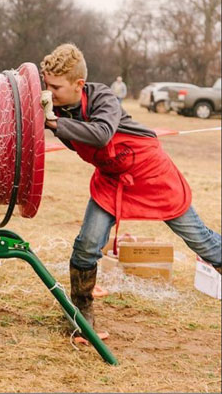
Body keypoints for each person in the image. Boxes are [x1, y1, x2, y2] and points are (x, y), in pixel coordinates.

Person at [39, 44, 221, 339]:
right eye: (46, 84)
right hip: (112, 179)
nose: (49, 91)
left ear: (79, 85)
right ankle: (81, 319)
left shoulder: (103, 98)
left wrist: (56, 124)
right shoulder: (54, 106)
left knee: (202, 242)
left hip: (151, 173)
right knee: (86, 245)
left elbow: (101, 134)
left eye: (55, 86)